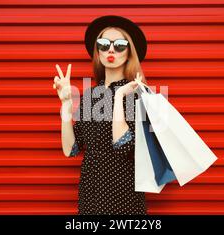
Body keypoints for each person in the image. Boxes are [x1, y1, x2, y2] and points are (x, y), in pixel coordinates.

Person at [53, 15, 149, 215]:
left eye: (120, 44)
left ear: (130, 52)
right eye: (104, 44)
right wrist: (66, 105)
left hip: (124, 198)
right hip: (90, 196)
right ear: (98, 52)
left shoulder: (138, 93)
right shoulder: (90, 96)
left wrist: (120, 95)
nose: (111, 49)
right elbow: (71, 150)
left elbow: (124, 145)